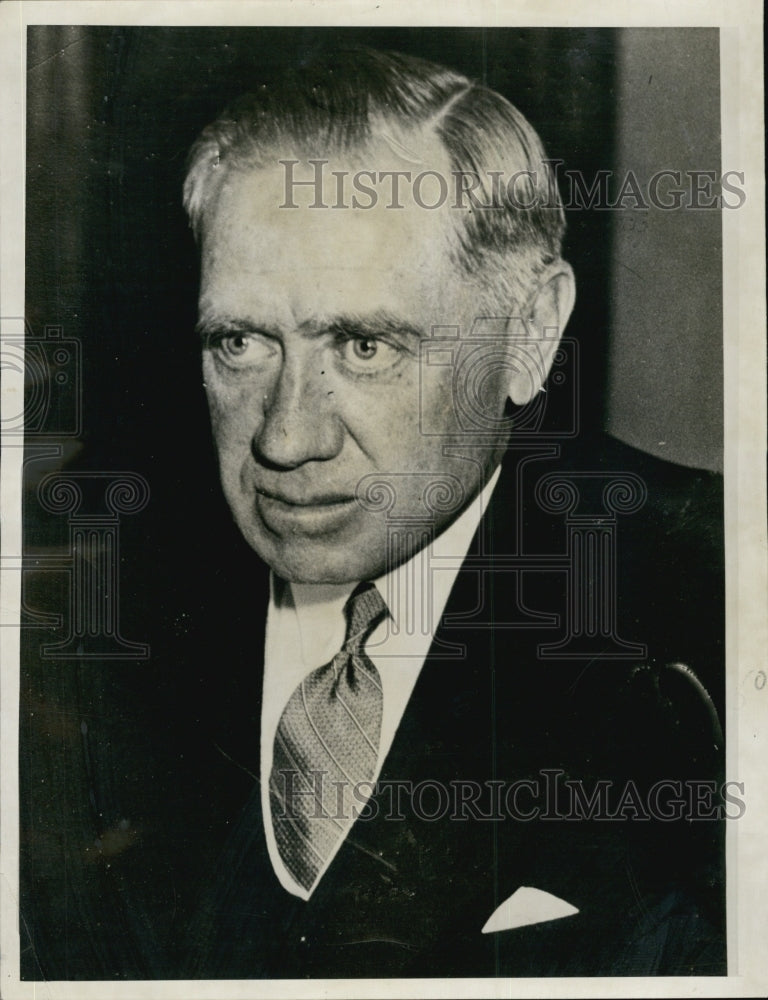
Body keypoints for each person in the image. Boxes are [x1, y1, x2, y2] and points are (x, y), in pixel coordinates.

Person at [20, 48, 725, 980]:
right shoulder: (77, 630)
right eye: (240, 342)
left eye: (363, 345)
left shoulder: (711, 604)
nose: (285, 437)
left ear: (529, 333)